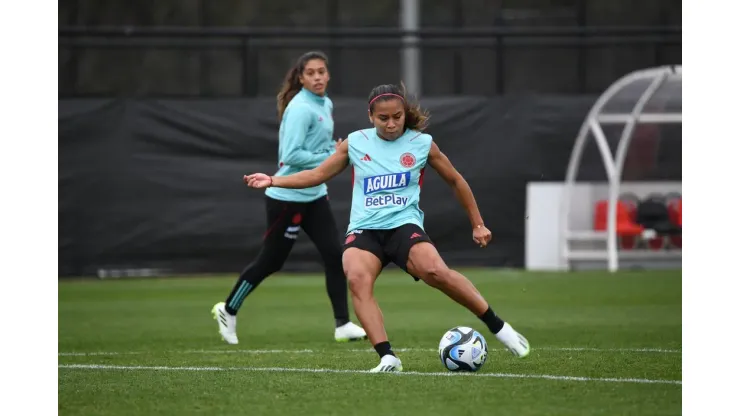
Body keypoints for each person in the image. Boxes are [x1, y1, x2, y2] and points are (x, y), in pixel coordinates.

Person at [243, 83, 531, 372]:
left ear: (405, 114)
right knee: (356, 278)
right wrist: (274, 180)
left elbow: (456, 180)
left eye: (397, 116)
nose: (392, 124)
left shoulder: (421, 143)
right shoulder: (355, 142)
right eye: (384, 118)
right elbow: (318, 174)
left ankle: (499, 327)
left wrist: (478, 224)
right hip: (364, 230)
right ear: (370, 116)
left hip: (403, 225)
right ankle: (387, 357)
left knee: (436, 271)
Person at [212, 51, 367, 345]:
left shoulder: (325, 103)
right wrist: (330, 156)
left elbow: (316, 147)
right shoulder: (300, 108)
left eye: (322, 71)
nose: (318, 77)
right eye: (311, 73)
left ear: (328, 74)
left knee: (335, 256)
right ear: (301, 77)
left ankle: (342, 324)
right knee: (271, 261)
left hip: (315, 194)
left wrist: (330, 150)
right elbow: (291, 155)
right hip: (287, 196)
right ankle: (228, 309)